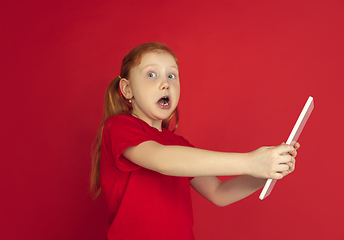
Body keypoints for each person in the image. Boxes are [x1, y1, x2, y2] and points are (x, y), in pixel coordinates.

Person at [90, 42, 299, 240]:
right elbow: (161, 160)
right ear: (127, 90)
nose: (165, 84)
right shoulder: (119, 127)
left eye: (172, 75)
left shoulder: (180, 145)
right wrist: (251, 161)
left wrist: (266, 172)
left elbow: (219, 193)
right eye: (152, 75)